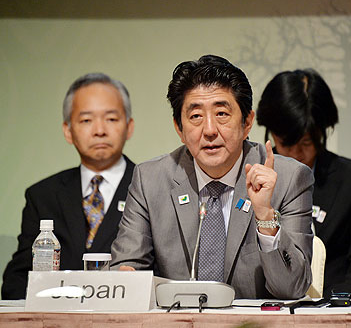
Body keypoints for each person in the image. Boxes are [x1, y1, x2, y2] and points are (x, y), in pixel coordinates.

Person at [111, 55, 314, 299]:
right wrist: (125, 277)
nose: (209, 130)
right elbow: (125, 272)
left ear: (247, 122)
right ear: (179, 128)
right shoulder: (150, 180)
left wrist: (265, 217)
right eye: (196, 116)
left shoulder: (289, 178)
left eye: (222, 114)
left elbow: (292, 289)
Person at [2, 73, 135, 300]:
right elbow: (19, 280)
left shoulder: (152, 188)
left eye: (111, 119)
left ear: (129, 127)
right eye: (86, 120)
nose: (99, 130)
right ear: (68, 131)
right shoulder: (43, 196)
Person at [256, 68, 351, 299]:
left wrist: (330, 307)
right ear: (271, 132)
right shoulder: (254, 177)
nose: (296, 153)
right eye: (286, 143)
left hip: (330, 306)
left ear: (323, 131)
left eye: (306, 142)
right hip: (266, 306)